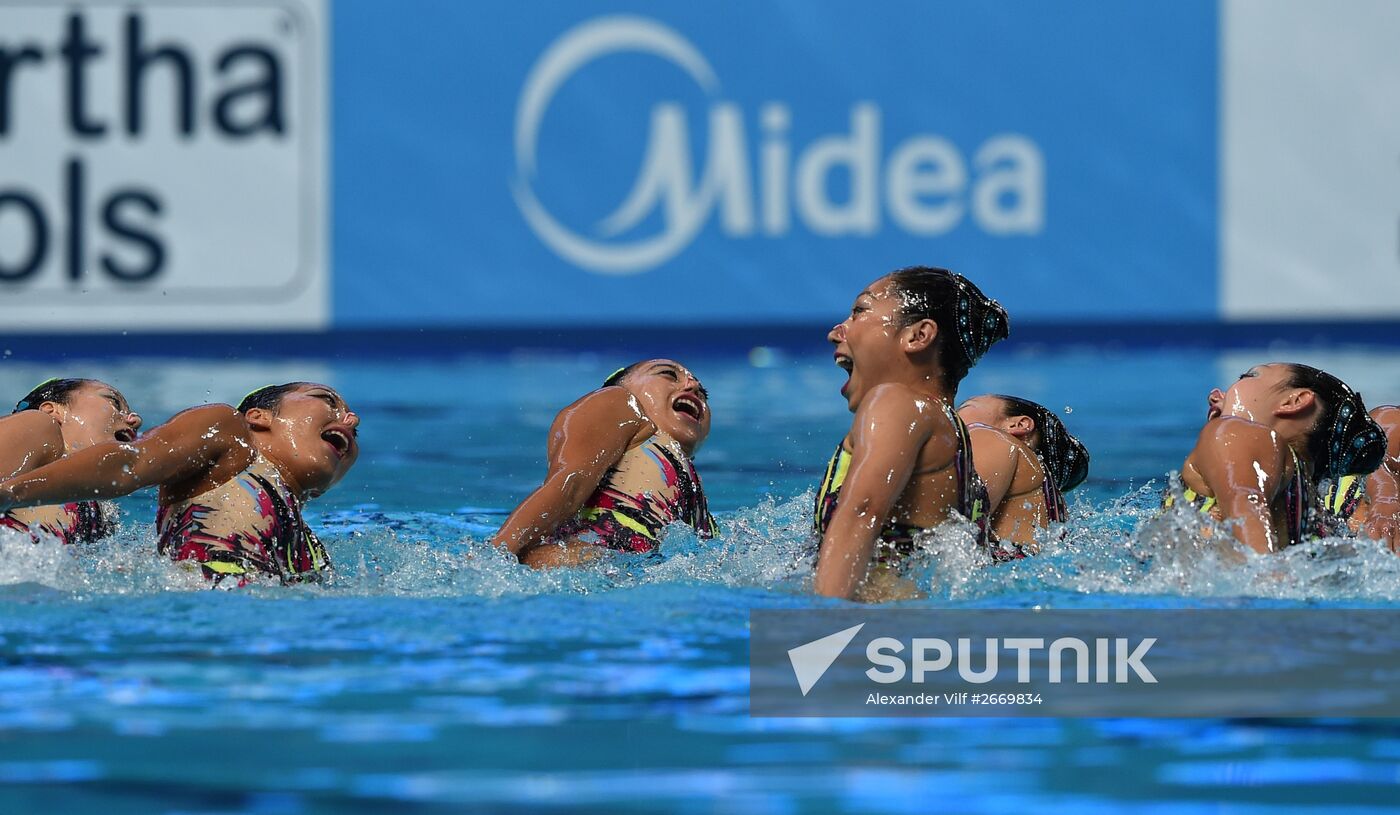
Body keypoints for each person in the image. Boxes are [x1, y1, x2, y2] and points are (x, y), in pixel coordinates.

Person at [0, 382, 359, 585]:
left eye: (355, 428)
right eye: (327, 400)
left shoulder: (308, 546)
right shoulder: (38, 426)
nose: (350, 419)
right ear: (258, 417)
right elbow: (130, 464)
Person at [813, 266, 1011, 601]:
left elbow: (862, 511)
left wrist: (819, 631)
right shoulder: (955, 436)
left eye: (860, 311)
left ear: (918, 336)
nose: (836, 332)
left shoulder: (896, 402)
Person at [493, 359, 718, 568]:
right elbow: (568, 486)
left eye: (703, 393)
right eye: (668, 374)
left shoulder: (690, 486)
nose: (693, 385)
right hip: (583, 562)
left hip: (629, 569)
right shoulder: (620, 403)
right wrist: (494, 558)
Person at [1168, 363, 1384, 554]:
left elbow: (1246, 506)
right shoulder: (1315, 514)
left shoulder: (1234, 433)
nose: (1214, 395)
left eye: (1248, 376)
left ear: (1295, 401)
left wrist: (1264, 582)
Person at [0, 378, 142, 544]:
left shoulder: (101, 514)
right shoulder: (38, 425)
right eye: (114, 402)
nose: (136, 420)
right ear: (51, 411)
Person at [957, 394, 1090, 546]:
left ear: (1018, 425)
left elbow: (957, 526)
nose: (952, 415)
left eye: (964, 408)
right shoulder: (1042, 488)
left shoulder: (997, 440)